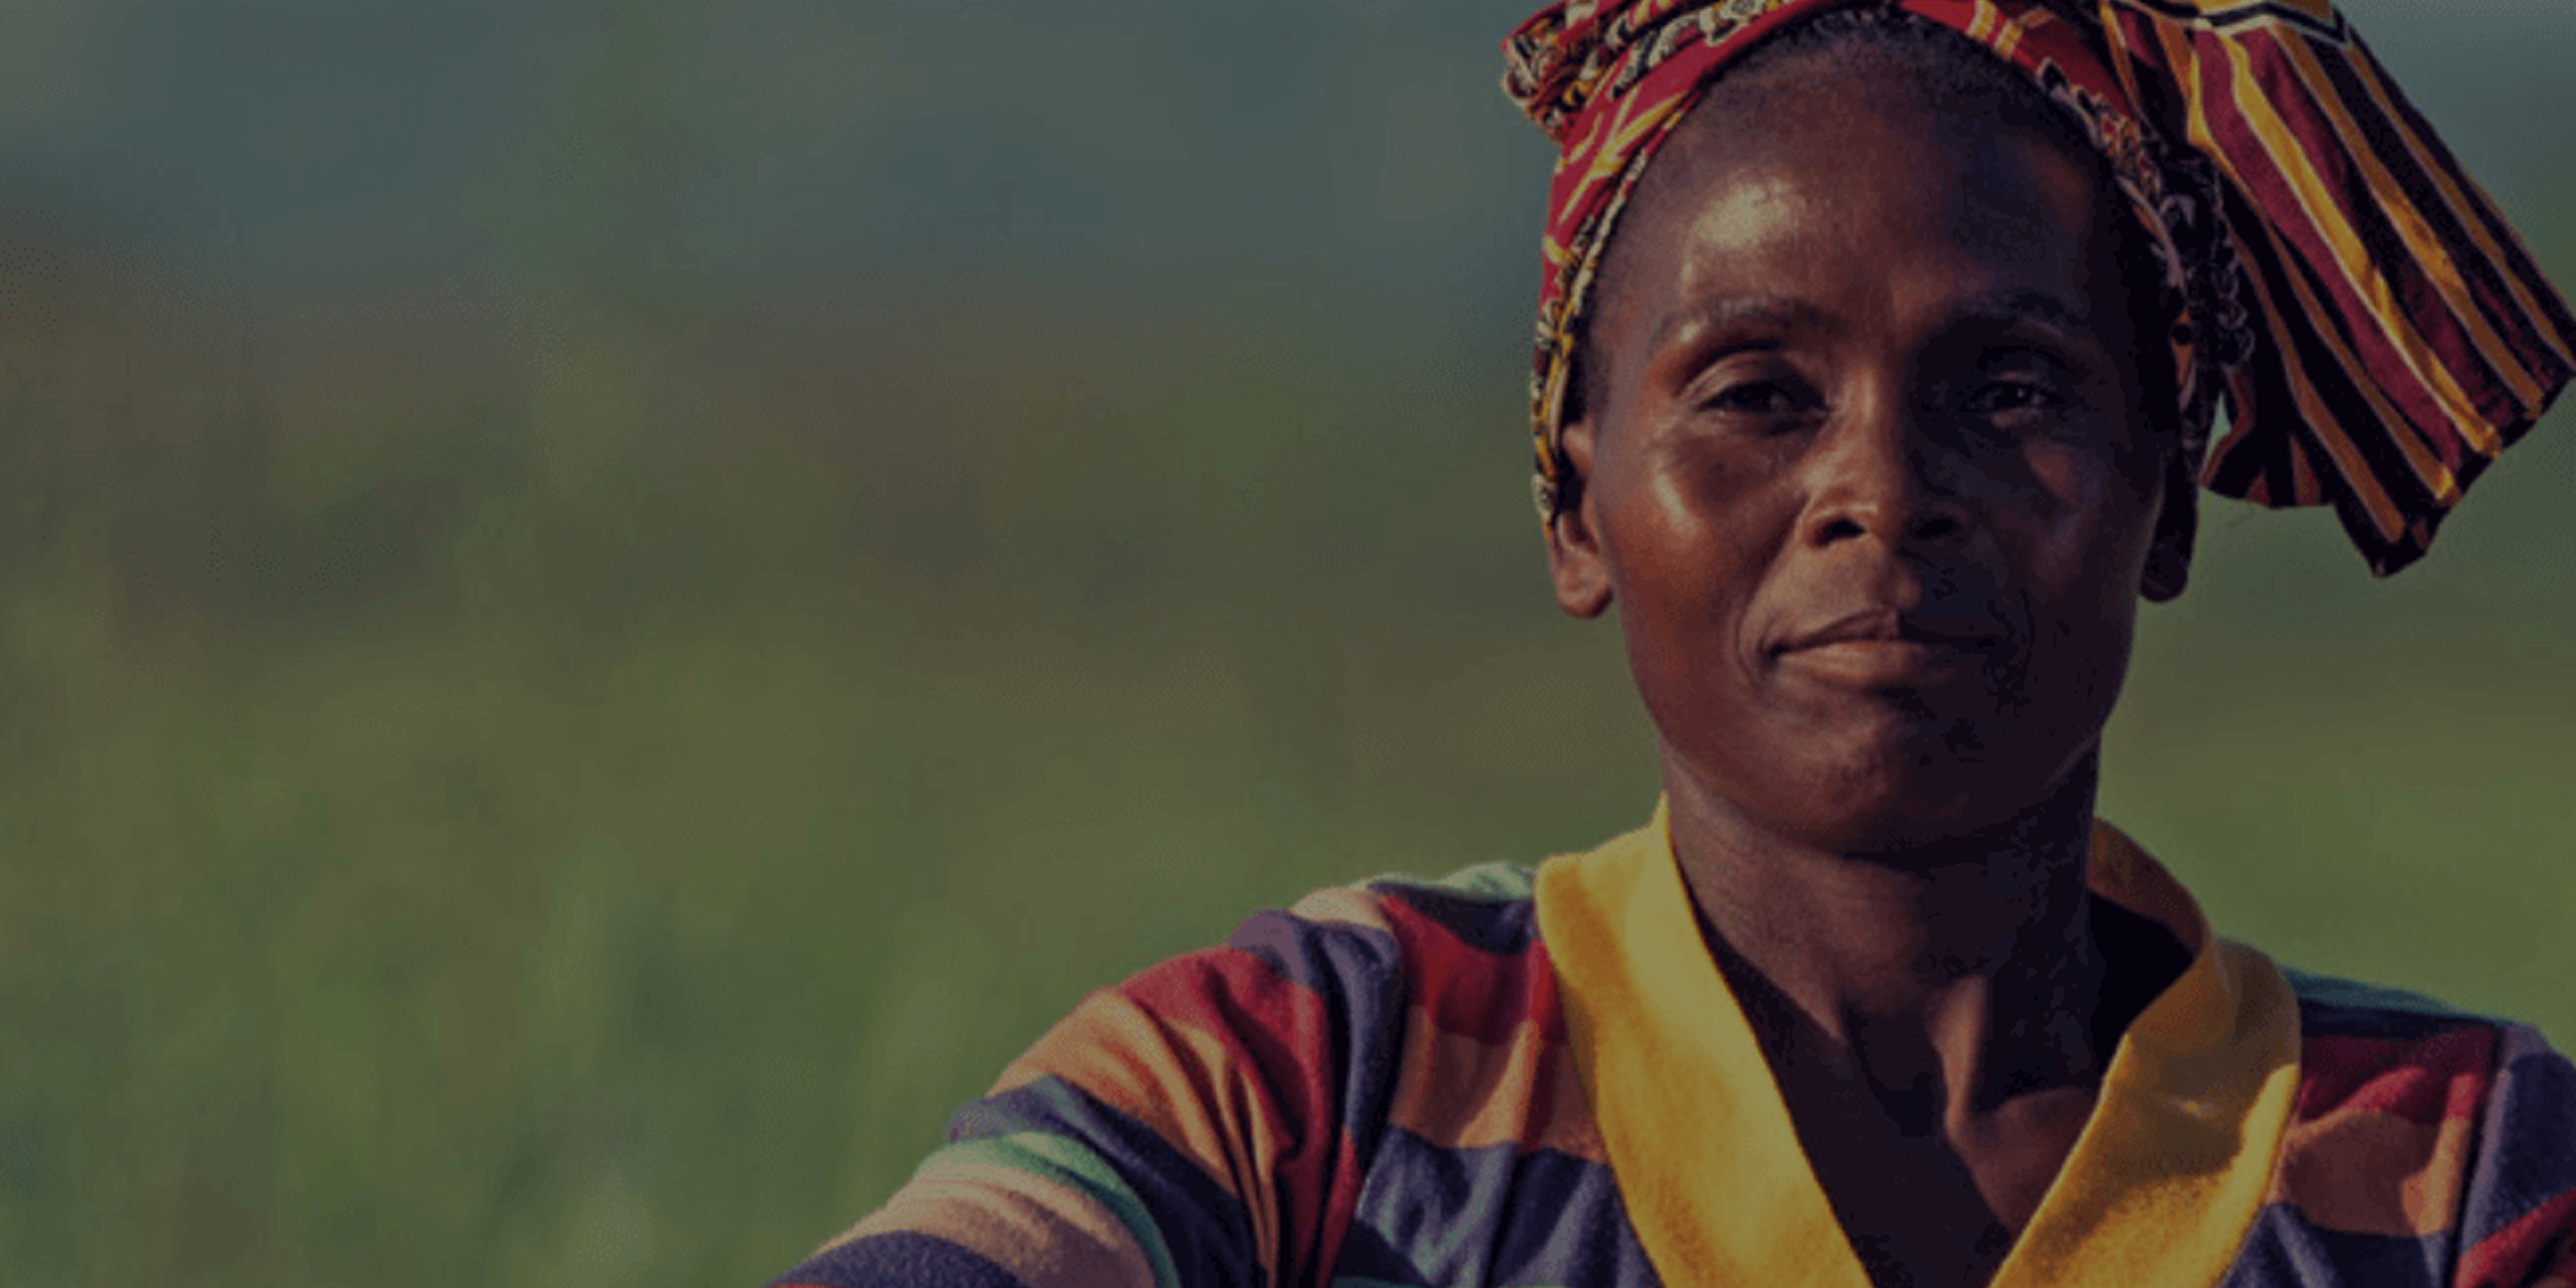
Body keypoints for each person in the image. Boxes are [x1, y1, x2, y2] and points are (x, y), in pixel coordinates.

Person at [766, 1, 2576, 1284]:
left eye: (2009, 388)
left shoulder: (2465, 1177)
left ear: (2162, 503)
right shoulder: (1312, 1079)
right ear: (1577, 508)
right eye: (1759, 393)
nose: (1883, 489)